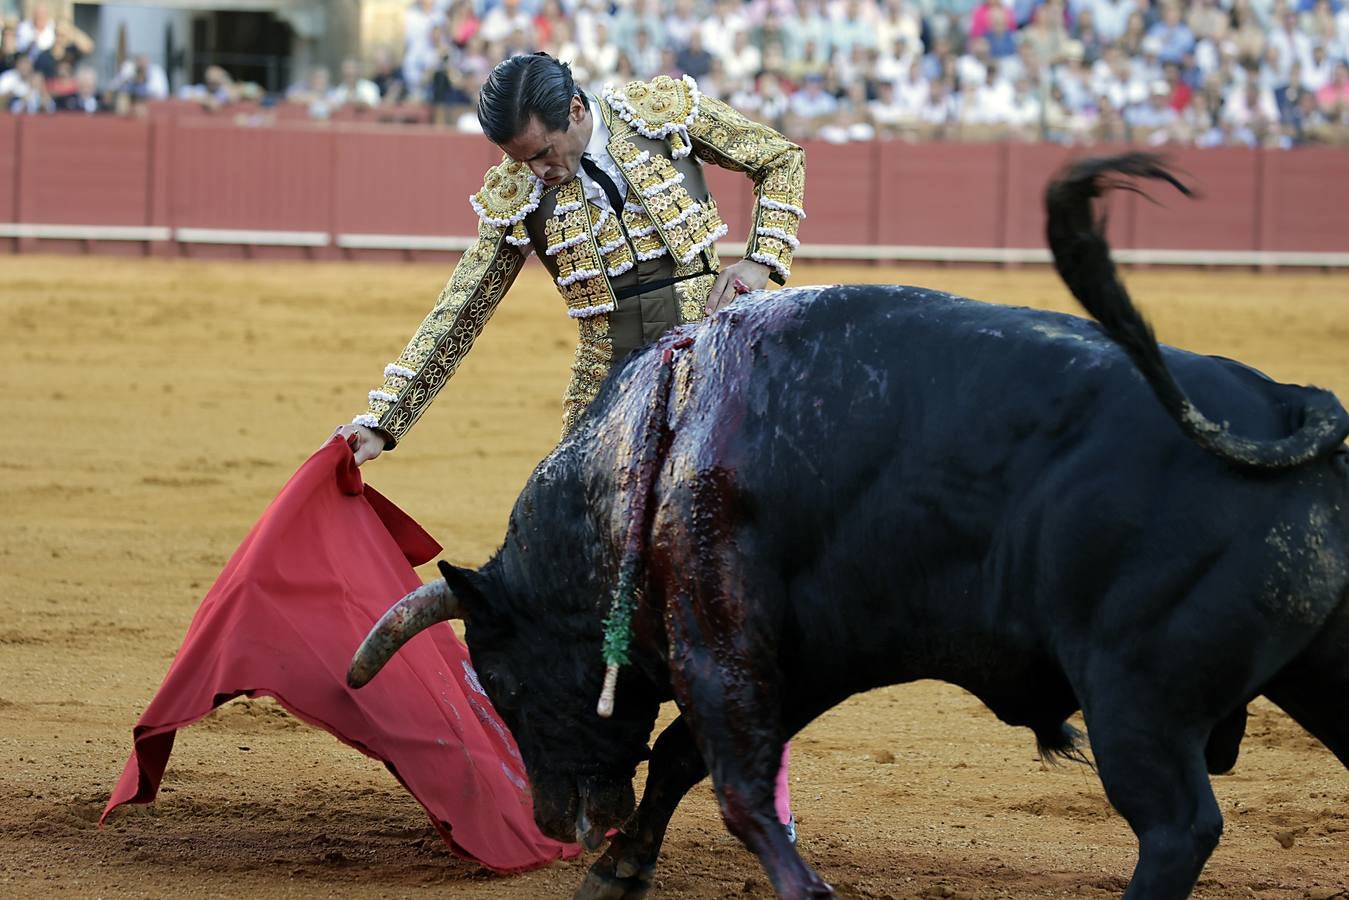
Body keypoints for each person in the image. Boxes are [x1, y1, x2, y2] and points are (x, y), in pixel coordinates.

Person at [331, 52, 805, 839]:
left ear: (579, 110)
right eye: (522, 160)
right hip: (605, 397)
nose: (540, 172)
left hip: (715, 364)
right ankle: (586, 766)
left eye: (546, 153)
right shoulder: (519, 194)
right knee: (574, 589)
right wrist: (384, 419)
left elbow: (778, 158)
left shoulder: (660, 118)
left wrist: (761, 259)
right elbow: (460, 311)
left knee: (737, 582)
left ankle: (767, 792)